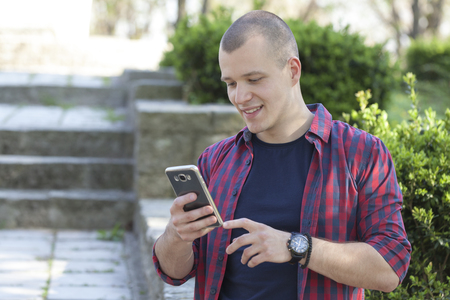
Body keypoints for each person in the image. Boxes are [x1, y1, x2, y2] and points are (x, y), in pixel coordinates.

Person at [153, 10, 411, 300]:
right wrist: (176, 236)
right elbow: (174, 273)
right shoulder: (215, 160)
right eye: (231, 83)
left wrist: (294, 246)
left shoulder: (361, 153)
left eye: (253, 79)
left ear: (293, 71)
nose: (240, 97)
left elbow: (390, 267)